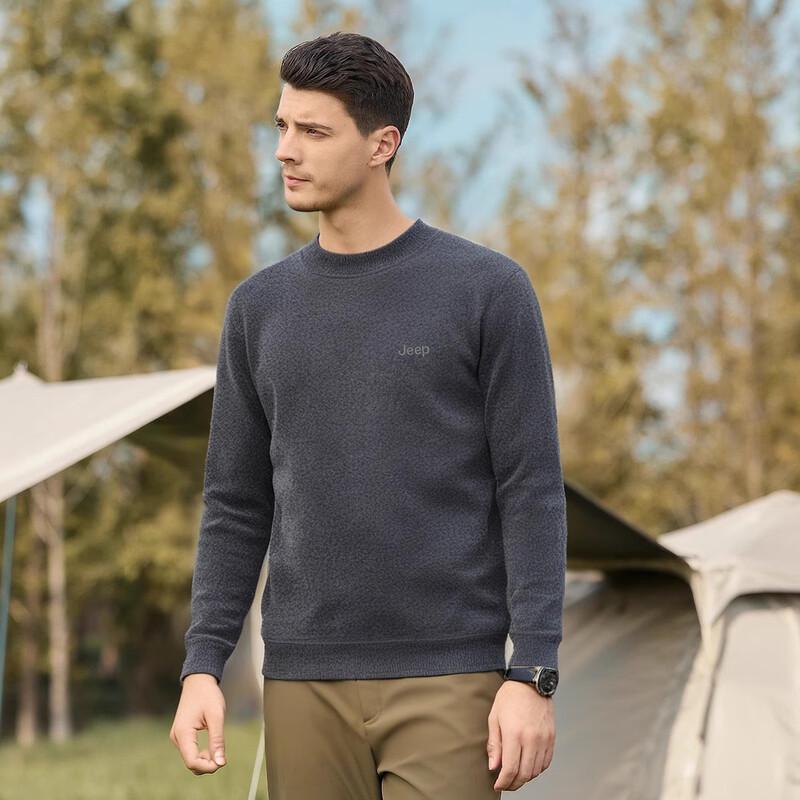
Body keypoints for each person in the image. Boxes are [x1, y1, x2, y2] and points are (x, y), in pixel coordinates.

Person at [169, 30, 567, 799]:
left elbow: (531, 490)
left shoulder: (487, 291)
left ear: (382, 145)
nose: (286, 150)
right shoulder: (257, 309)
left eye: (314, 132)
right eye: (282, 126)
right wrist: (202, 665)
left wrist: (534, 672)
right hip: (301, 681)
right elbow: (235, 504)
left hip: (452, 676)